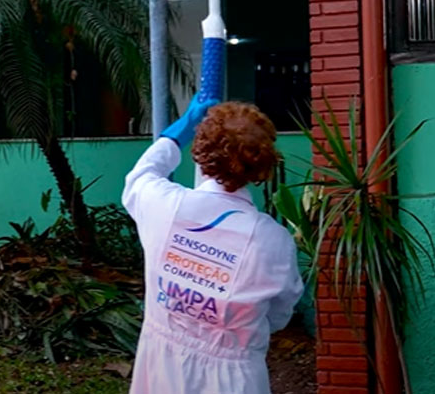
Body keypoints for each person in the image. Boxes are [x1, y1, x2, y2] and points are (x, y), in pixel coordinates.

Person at [122, 94, 304, 394]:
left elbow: (140, 176)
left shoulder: (165, 206)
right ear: (262, 165)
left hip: (161, 366)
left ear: (200, 150)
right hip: (234, 379)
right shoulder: (272, 241)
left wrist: (178, 130)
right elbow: (278, 315)